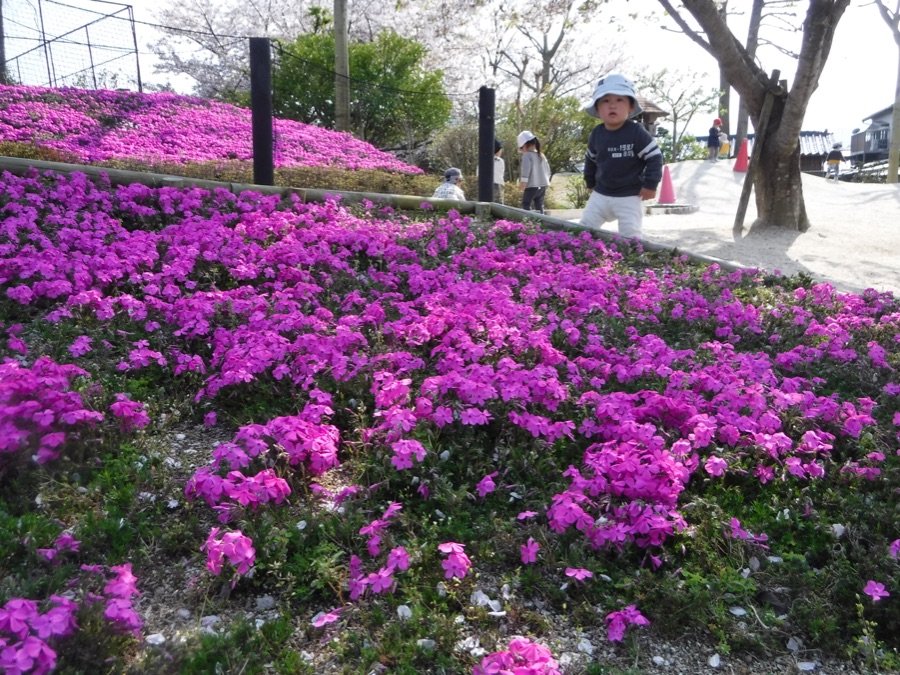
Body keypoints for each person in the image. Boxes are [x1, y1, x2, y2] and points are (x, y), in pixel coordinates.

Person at [578, 73, 663, 239]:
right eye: (606, 101)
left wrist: (650, 185)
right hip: (601, 194)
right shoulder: (596, 133)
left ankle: (630, 263)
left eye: (619, 100)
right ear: (597, 108)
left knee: (630, 236)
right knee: (583, 231)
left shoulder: (636, 132)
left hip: (630, 196)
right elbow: (590, 159)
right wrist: (590, 182)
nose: (612, 106)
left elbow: (654, 157)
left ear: (631, 106)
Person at [517, 130, 551, 213]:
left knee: (526, 204)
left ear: (525, 145)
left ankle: (528, 223)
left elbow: (526, 170)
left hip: (532, 185)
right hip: (543, 185)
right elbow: (548, 170)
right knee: (539, 206)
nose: (521, 151)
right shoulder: (542, 155)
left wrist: (523, 182)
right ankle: (541, 223)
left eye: (521, 148)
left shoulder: (527, 156)